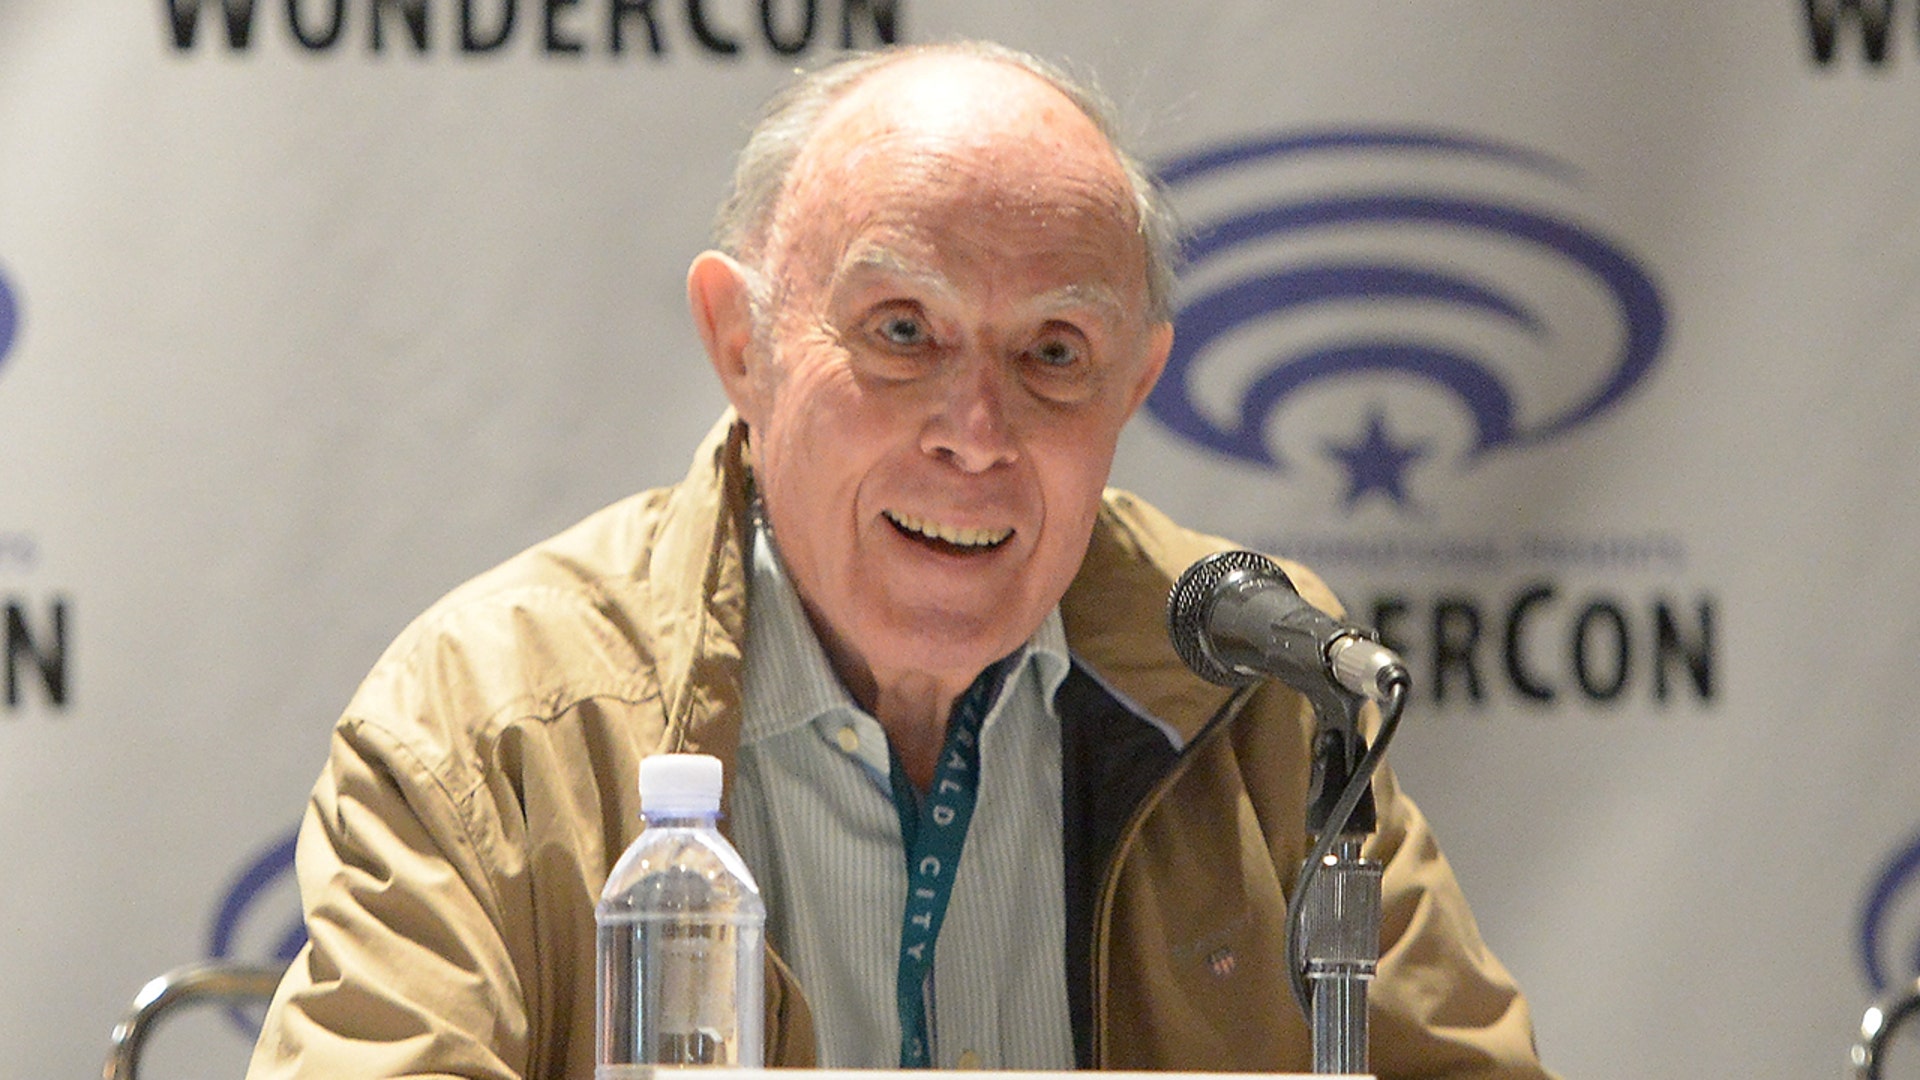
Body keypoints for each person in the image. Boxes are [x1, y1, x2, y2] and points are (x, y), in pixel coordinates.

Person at [246, 41, 1554, 1080]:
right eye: (901, 331)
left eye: (1053, 353)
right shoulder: (492, 716)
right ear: (742, 341)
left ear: (1135, 384)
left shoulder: (1255, 677)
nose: (974, 434)